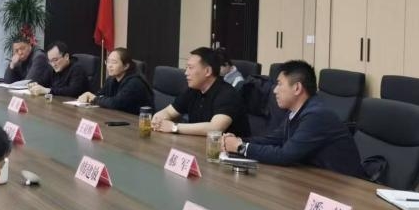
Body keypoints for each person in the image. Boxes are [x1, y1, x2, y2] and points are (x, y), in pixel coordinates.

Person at [222, 60, 365, 177]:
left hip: (344, 186)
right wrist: (238, 141)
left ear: (297, 88)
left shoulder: (316, 115)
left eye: (279, 84)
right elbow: (274, 139)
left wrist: (241, 147)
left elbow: (285, 155)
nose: (274, 90)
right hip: (316, 178)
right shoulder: (297, 111)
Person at [151, 47, 249, 137]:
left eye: (190, 68)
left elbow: (215, 128)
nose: (186, 73)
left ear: (207, 71)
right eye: (186, 68)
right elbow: (169, 112)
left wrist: (174, 127)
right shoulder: (193, 90)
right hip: (197, 144)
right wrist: (158, 120)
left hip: (226, 149)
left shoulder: (227, 94)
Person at [78, 47, 153, 114]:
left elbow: (116, 103)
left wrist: (94, 98)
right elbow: (100, 95)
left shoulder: (135, 82)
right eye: (108, 62)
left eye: (114, 62)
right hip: (119, 117)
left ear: (126, 66)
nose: (109, 65)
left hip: (137, 121)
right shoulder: (111, 79)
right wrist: (89, 96)